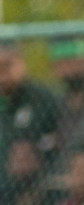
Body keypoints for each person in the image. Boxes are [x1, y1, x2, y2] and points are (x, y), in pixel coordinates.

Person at [0, 43, 62, 173]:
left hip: (38, 179)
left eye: (7, 66)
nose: (2, 76)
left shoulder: (42, 99)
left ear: (21, 64)